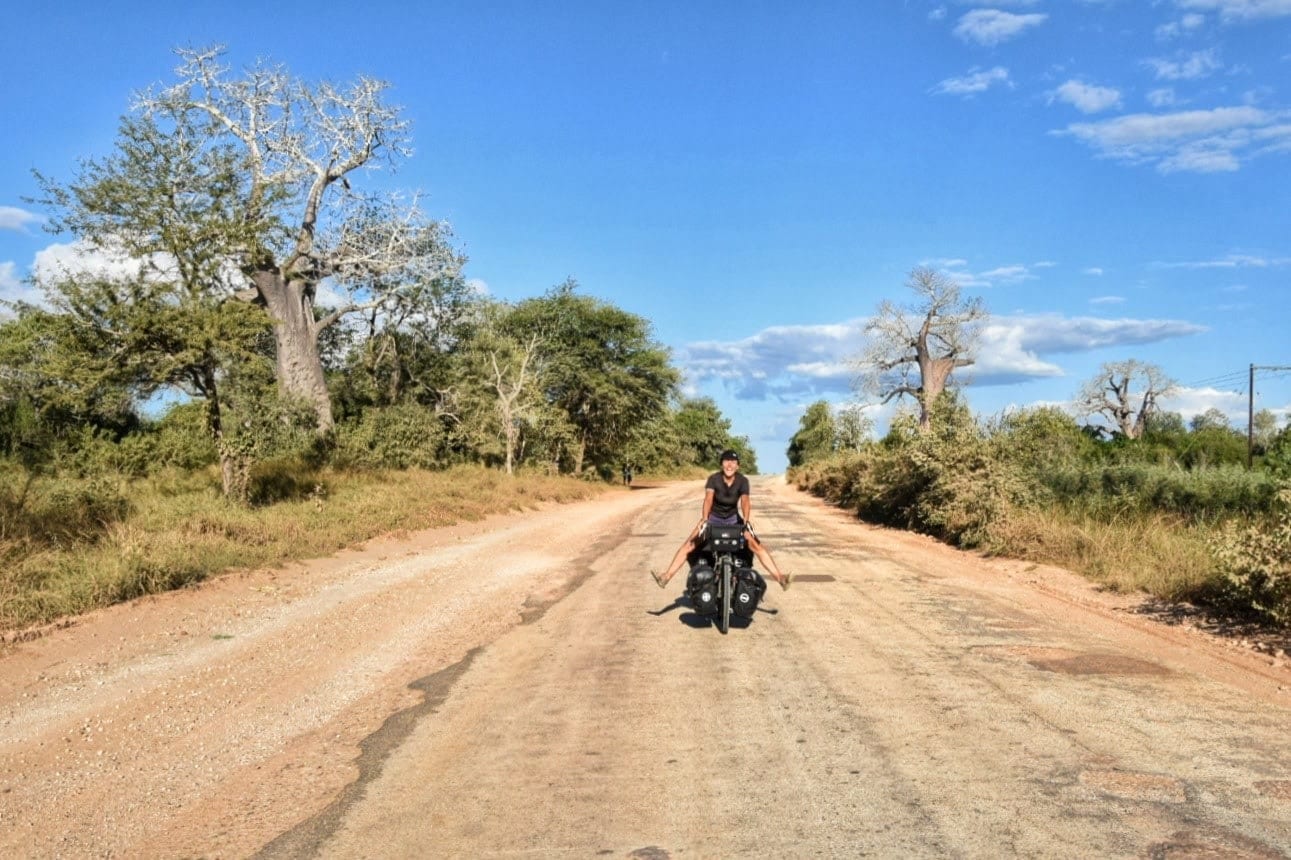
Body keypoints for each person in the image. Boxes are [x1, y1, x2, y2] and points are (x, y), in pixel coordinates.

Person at [651, 449, 791, 590]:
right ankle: (666, 576)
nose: (729, 465)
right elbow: (708, 500)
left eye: (733, 462)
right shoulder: (713, 479)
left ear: (738, 466)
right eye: (726, 461)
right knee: (690, 544)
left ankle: (780, 578)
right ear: (721, 464)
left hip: (733, 520)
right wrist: (705, 521)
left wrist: (746, 522)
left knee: (755, 544)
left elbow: (745, 501)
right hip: (713, 518)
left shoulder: (743, 481)